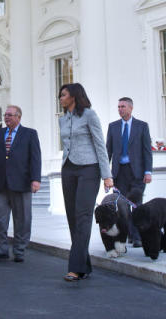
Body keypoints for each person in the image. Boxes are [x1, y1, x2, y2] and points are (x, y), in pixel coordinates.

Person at [58, 83, 113, 282]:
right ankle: (84, 265)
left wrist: (107, 175)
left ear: (73, 96)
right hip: (68, 169)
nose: (60, 98)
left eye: (63, 95)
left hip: (89, 169)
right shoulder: (62, 120)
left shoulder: (90, 115)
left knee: (83, 216)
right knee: (72, 217)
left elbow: (100, 144)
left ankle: (75, 268)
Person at [0, 105, 41, 263]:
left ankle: (19, 250)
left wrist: (36, 179)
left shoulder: (29, 134)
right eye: (5, 115)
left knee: (22, 220)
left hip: (22, 184)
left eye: (10, 115)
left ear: (18, 117)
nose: (6, 117)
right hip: (1, 185)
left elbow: (36, 158)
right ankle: (0, 251)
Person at [106, 97, 152, 247]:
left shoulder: (142, 126)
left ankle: (137, 236)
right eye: (118, 107)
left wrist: (148, 171)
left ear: (131, 108)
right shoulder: (113, 127)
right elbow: (108, 151)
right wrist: (106, 174)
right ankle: (129, 234)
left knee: (137, 204)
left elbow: (146, 151)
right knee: (123, 206)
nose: (120, 109)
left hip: (137, 172)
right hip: (119, 173)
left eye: (123, 106)